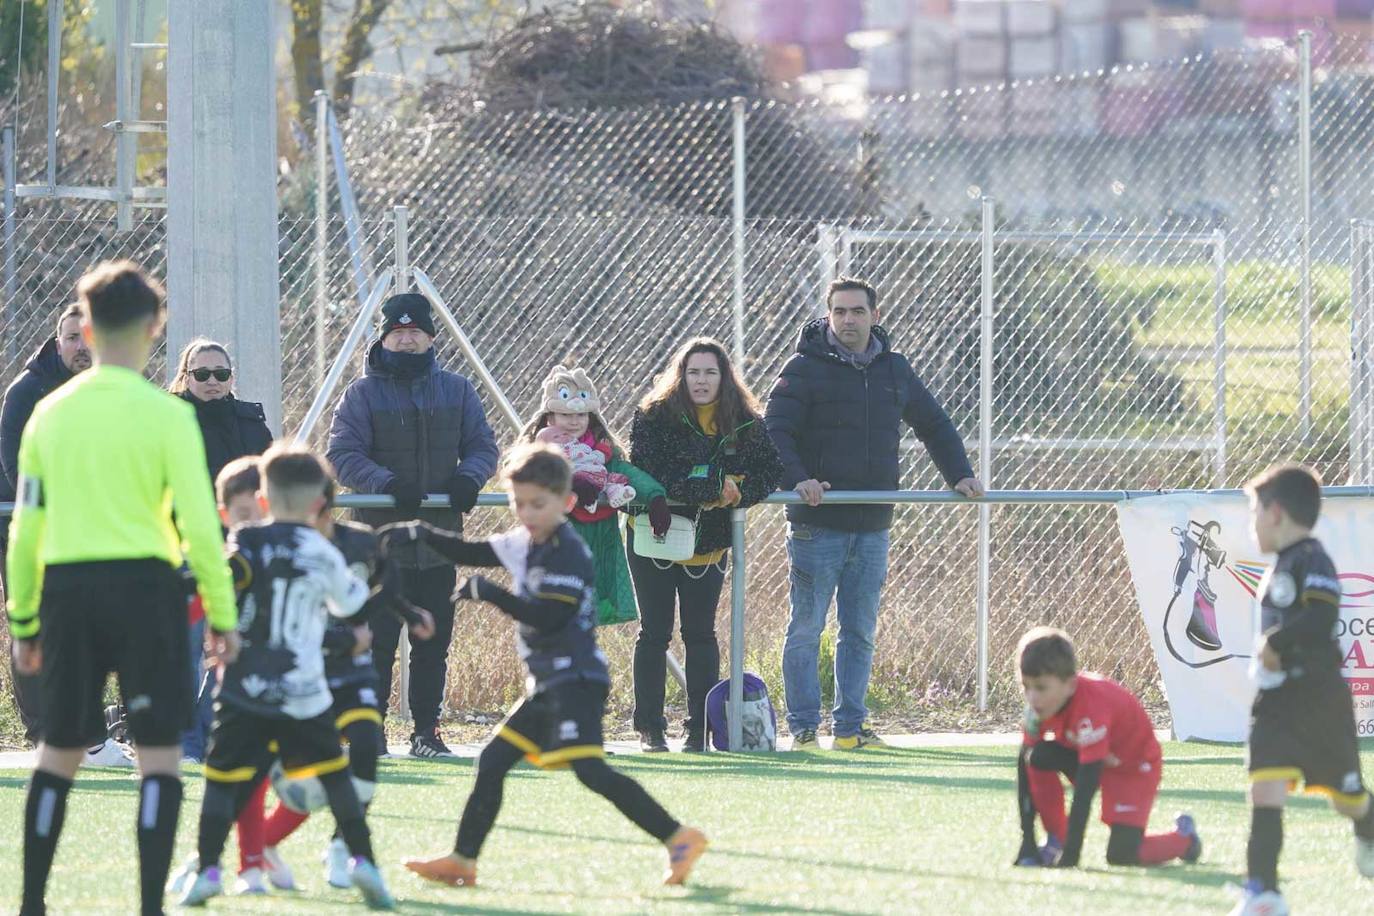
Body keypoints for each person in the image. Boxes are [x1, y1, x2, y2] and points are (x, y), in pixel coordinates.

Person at [7, 261, 239, 916]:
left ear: (87, 323)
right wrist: (222, 616)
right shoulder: (168, 417)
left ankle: (30, 904)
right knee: (159, 756)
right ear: (154, 327)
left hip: (68, 591)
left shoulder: (48, 415)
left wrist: (23, 621)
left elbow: (26, 531)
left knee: (58, 753)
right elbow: (200, 526)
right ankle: (148, 907)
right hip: (147, 591)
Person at [381, 444, 708, 889]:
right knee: (493, 761)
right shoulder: (525, 541)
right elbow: (472, 552)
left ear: (566, 503)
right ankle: (462, 860)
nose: (527, 512)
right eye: (519, 503)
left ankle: (678, 838)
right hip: (548, 685)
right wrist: (420, 533)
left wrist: (491, 594)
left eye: (539, 504)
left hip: (575, 680)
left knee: (591, 771)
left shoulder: (567, 552)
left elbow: (551, 617)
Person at [169, 446, 395, 909]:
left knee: (222, 779)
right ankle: (363, 861)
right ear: (319, 504)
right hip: (305, 693)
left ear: (265, 499)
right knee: (335, 779)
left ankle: (209, 868)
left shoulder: (247, 541)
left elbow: (222, 579)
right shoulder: (322, 550)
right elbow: (354, 606)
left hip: (243, 691)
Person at [765, 276, 984, 751]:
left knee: (859, 631)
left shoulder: (894, 369)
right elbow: (775, 431)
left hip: (872, 526)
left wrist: (959, 475)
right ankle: (803, 729)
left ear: (875, 316)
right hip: (815, 527)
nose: (848, 320)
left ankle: (849, 730)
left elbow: (935, 425)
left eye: (857, 311)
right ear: (827, 316)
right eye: (839, 311)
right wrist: (797, 480)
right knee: (806, 628)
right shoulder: (803, 369)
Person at [327, 291, 499, 758]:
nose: (406, 341)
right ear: (384, 338)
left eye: (415, 333)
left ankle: (426, 731)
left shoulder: (458, 390)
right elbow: (342, 454)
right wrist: (386, 483)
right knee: (376, 643)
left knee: (432, 643)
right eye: (398, 333)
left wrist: (469, 476)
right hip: (379, 547)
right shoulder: (361, 394)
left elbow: (484, 446)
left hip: (441, 543)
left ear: (430, 338)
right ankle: (371, 732)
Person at [259, 477, 435, 892]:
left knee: (365, 750)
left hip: (351, 673)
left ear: (322, 506)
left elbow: (385, 582)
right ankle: (256, 845)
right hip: (301, 675)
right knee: (305, 775)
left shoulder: (358, 542)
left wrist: (408, 612)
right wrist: (340, 637)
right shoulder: (281, 552)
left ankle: (341, 847)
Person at [1231, 463, 1374, 916]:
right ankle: (1263, 891)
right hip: (1276, 703)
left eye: (1254, 512)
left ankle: (1368, 828)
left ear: (1275, 513)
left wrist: (1275, 643)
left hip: (1321, 702)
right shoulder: (1277, 568)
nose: (1251, 524)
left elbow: (1322, 617)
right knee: (1264, 789)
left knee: (1346, 800)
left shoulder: (1313, 558)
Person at [627, 338, 781, 752]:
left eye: (710, 372)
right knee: (654, 633)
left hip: (709, 541)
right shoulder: (653, 415)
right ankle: (650, 728)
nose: (701, 380)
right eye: (693, 371)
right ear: (681, 375)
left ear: (724, 376)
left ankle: (700, 728)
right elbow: (652, 471)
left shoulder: (746, 420)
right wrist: (715, 483)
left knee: (700, 634)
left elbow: (769, 471)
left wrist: (739, 492)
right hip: (653, 535)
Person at [0, 303, 118, 762]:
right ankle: (45, 734)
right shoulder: (28, 391)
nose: (81, 347)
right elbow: (14, 468)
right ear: (57, 341)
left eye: (88, 337)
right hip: (32, 528)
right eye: (72, 338)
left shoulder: (111, 390)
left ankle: (88, 735)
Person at [1014, 626, 1201, 871]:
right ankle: (1056, 839)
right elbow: (1023, 767)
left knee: (1122, 854)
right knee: (1037, 757)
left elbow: (1086, 787)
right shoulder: (1038, 709)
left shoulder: (1092, 706)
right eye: (1026, 686)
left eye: (1040, 688)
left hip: (1133, 769)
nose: (1032, 697)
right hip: (1093, 759)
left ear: (1070, 685)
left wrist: (1072, 856)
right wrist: (1027, 841)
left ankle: (1184, 840)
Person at [520, 365, 670, 626]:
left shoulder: (602, 453)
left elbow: (626, 473)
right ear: (550, 417)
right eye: (565, 413)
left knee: (585, 625)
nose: (574, 420)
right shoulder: (538, 453)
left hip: (600, 543)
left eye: (582, 414)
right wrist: (570, 484)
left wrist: (655, 497)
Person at [169, 338, 273, 485]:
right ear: (187, 379)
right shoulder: (170, 420)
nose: (212, 381)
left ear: (231, 379)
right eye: (202, 374)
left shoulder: (251, 424)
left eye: (221, 374)